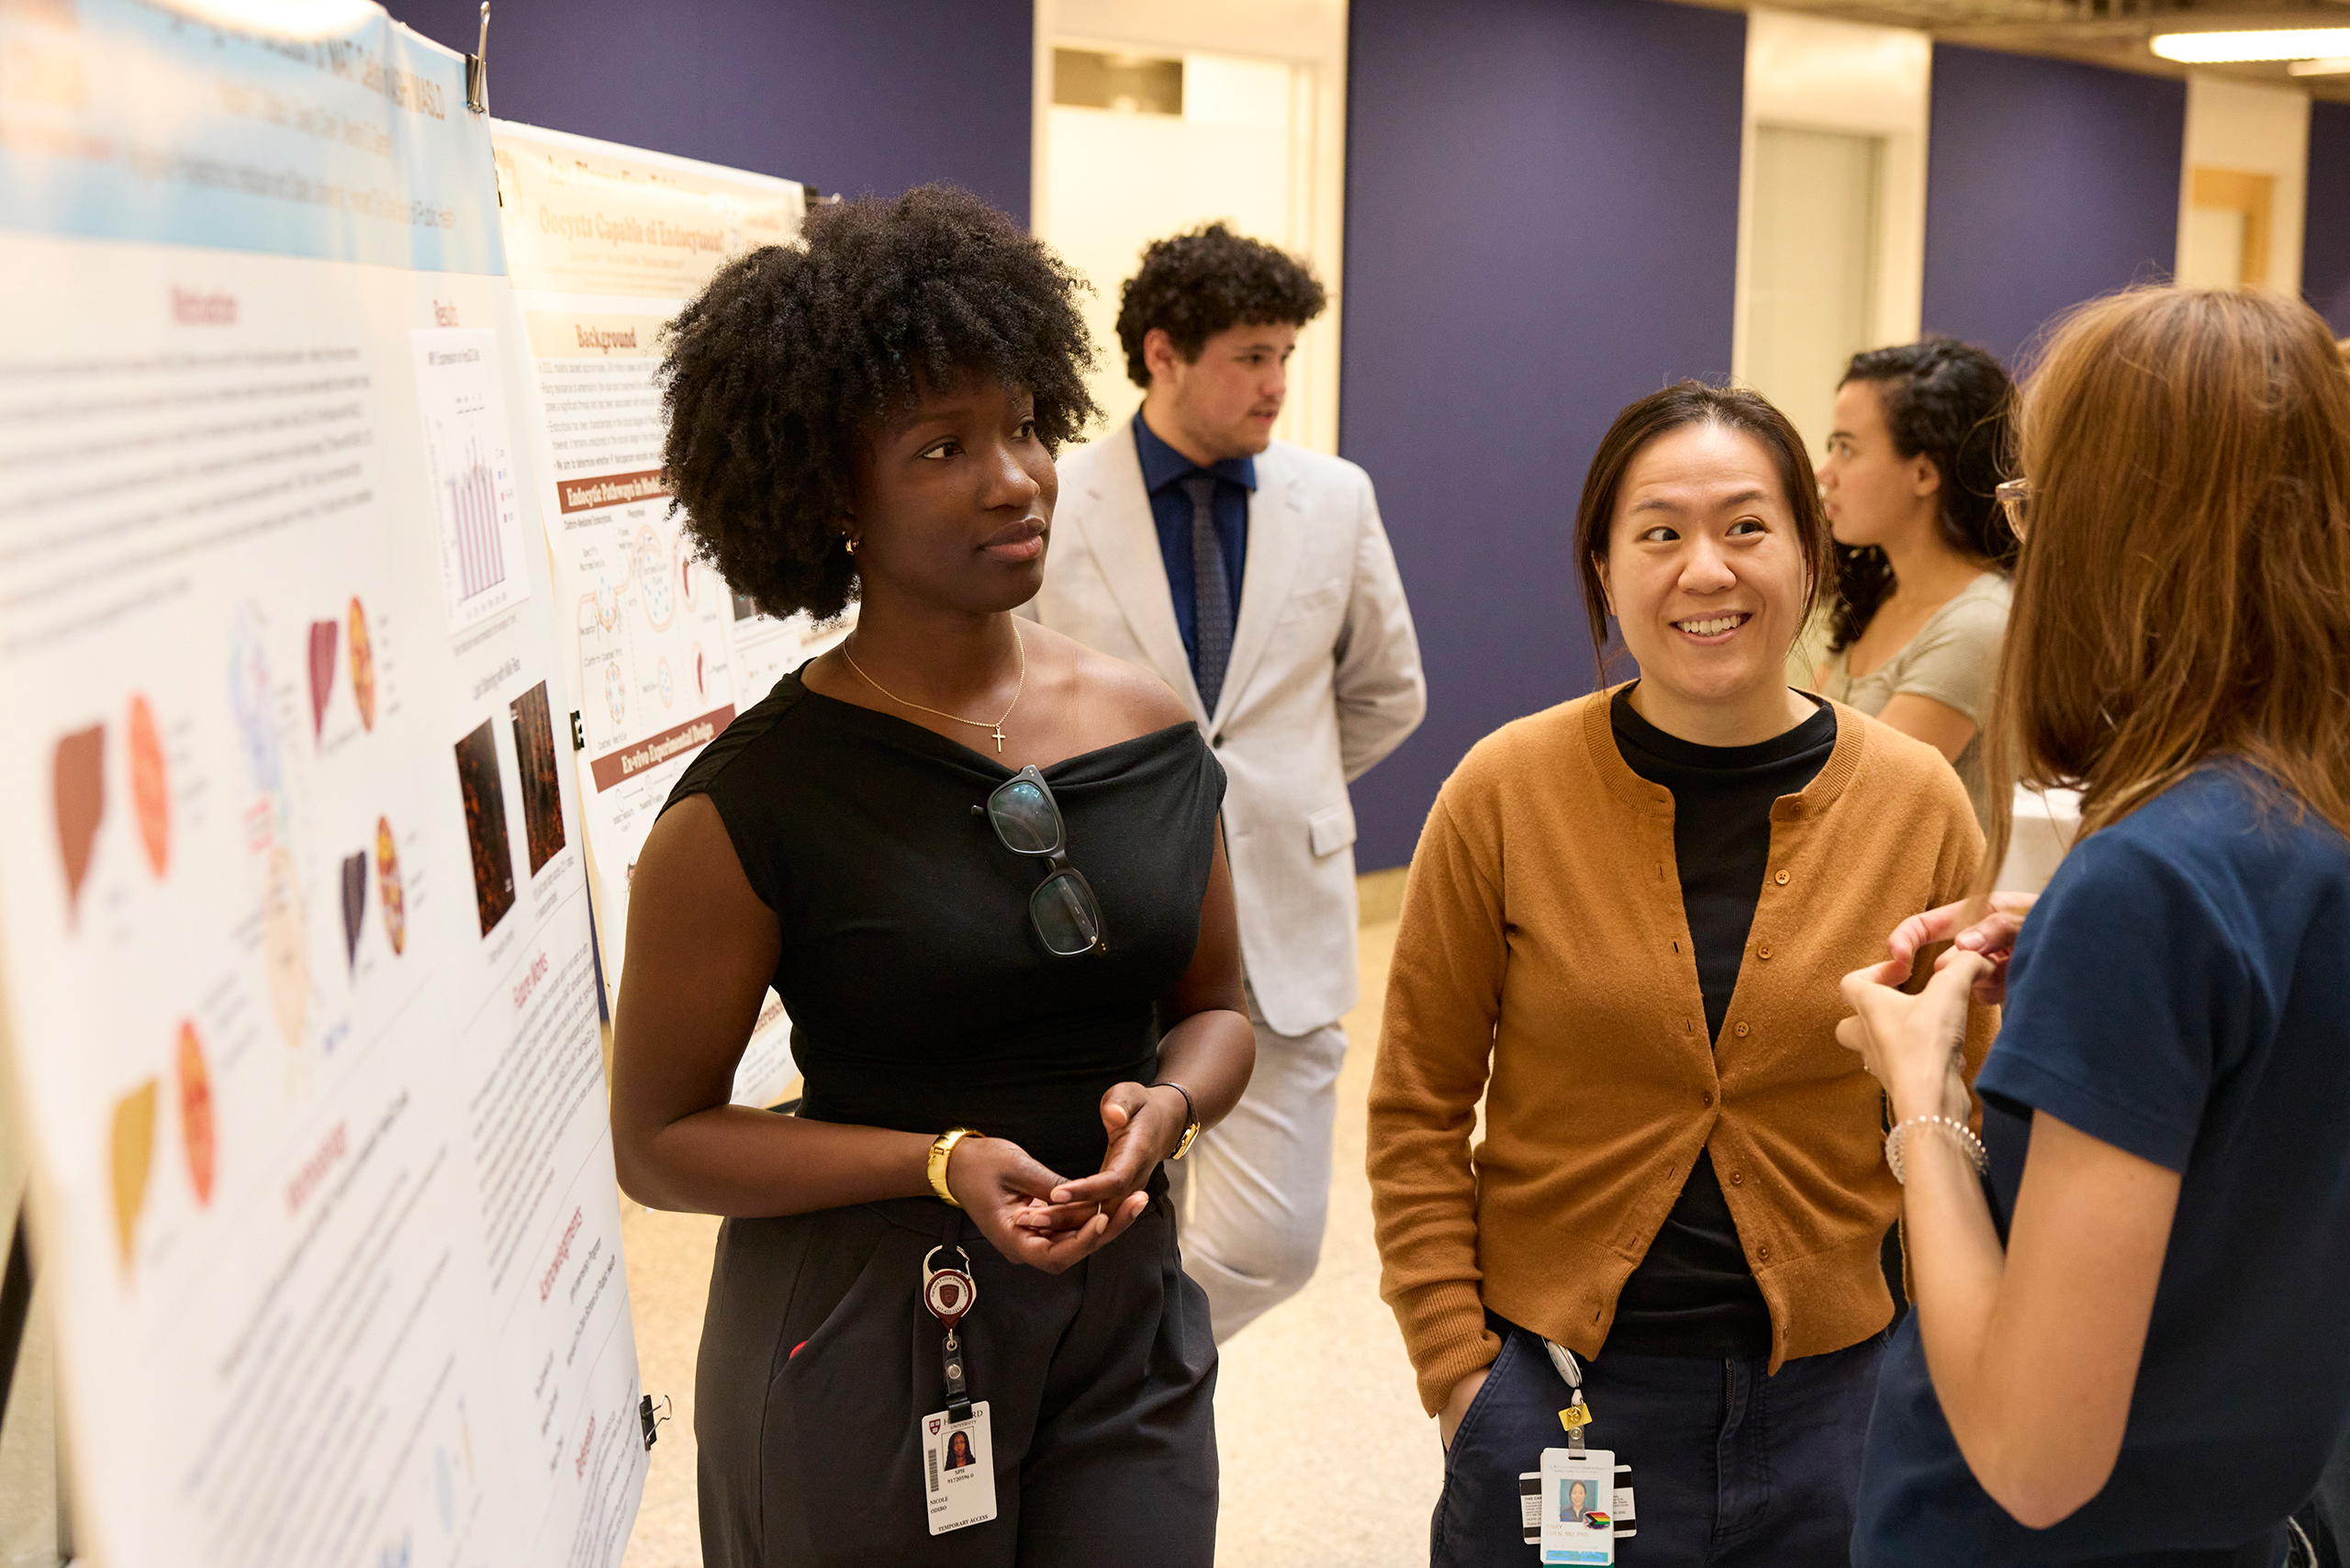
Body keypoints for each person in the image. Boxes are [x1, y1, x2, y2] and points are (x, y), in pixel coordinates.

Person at [611, 186, 1257, 1567]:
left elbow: (1221, 1005)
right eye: (942, 446)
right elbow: (660, 1142)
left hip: (1124, 1311)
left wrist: (1171, 1104)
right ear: (831, 495)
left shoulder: (1150, 731)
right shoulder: (754, 805)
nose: (1014, 476)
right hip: (869, 1331)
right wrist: (942, 1160)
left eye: (1024, 425)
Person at [1369, 381, 1995, 1568]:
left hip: (1841, 1409)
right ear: (1604, 568)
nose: (1706, 569)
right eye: (1659, 532)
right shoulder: (1504, 793)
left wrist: (1935, 1360)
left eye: (1747, 527)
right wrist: (1459, 1376)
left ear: (1809, 552)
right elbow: (1416, 1110)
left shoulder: (1916, 805)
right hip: (1561, 1403)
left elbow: (1968, 1103)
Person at [1841, 286, 2350, 1566]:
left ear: (2125, 534)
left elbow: (2031, 1454)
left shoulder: (2156, 886)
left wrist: (1923, 1108)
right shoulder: (2295, 820)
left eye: (2036, 504)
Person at [1025, 222, 1425, 1340]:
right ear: (1162, 353)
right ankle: (1137, 1428)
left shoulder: (1335, 498)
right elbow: (1009, 689)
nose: (1277, 384)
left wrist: (1273, 791)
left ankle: (1152, 1364)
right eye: (1251, 356)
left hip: (1283, 931)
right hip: (1101, 920)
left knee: (1271, 1244)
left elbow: (1389, 690)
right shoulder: (1055, 501)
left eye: (1287, 355)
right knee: (1103, 1203)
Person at [1813, 338, 2018, 834]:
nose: (1825, 474)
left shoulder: (1981, 621)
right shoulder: (1882, 594)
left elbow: (1854, 805)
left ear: (1924, 472)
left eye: (1847, 449)